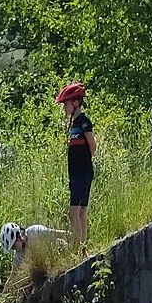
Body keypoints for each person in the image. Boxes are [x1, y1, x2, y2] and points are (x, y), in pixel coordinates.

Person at [57, 82, 95, 249]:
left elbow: (92, 145)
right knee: (80, 213)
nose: (64, 107)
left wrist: (84, 164)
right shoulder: (74, 124)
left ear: (76, 103)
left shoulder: (84, 121)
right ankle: (83, 248)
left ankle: (77, 247)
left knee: (74, 213)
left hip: (82, 173)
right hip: (76, 174)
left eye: (66, 104)